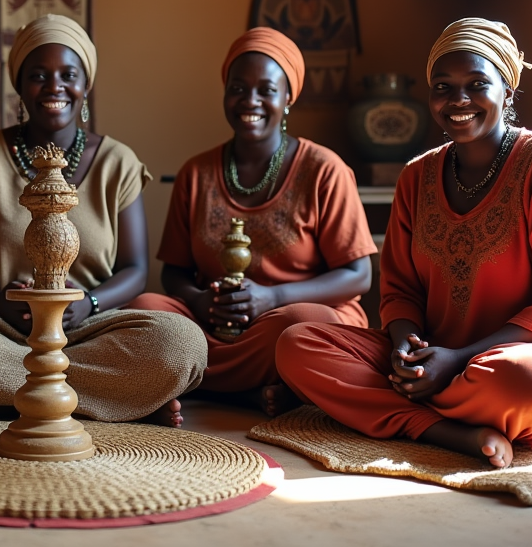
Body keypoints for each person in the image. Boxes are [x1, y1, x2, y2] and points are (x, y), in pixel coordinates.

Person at [275, 18, 532, 468]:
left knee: (526, 384)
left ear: (507, 91)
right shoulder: (417, 176)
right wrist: (404, 347)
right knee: (297, 345)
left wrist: (458, 360)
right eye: (443, 86)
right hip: (435, 356)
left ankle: (401, 412)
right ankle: (447, 431)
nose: (458, 100)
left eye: (477, 84)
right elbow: (400, 290)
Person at [0, 14, 207, 427]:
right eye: (38, 75)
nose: (54, 87)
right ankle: (116, 401)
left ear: (85, 85)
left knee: (182, 344)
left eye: (68, 74)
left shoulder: (117, 163)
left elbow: (136, 270)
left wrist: (85, 305)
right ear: (19, 86)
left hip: (88, 327)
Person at [131, 28, 376, 416]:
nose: (251, 101)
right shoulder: (196, 173)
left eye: (266, 90)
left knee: (301, 324)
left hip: (282, 326)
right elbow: (175, 274)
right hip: (213, 324)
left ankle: (192, 385)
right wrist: (201, 300)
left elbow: (358, 275)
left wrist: (271, 298)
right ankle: (249, 392)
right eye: (238, 88)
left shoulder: (325, 169)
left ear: (288, 98)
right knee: (145, 308)